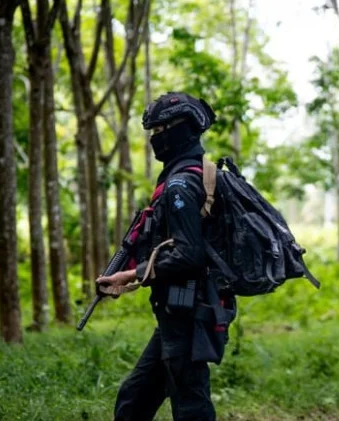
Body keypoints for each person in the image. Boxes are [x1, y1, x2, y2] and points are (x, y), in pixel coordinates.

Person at [95, 92, 221, 420]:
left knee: (191, 407)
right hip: (178, 313)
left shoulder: (180, 185)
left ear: (181, 130)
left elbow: (188, 254)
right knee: (133, 402)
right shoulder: (191, 174)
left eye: (160, 129)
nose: (154, 138)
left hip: (187, 313)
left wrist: (133, 276)